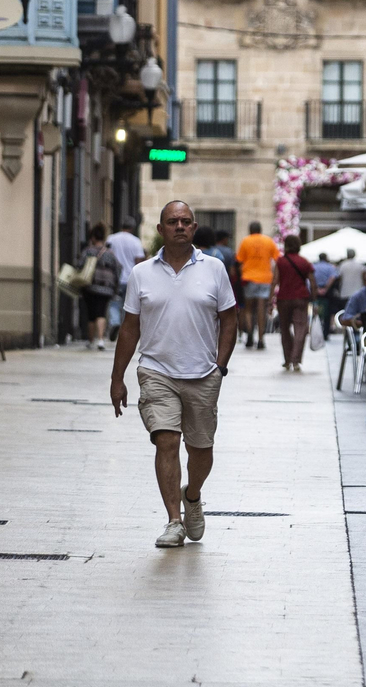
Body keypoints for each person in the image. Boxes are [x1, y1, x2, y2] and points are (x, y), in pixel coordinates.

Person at [110, 200, 239, 548]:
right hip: (156, 370)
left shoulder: (214, 268)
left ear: (194, 228)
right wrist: (117, 377)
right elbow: (129, 328)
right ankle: (173, 521)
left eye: (185, 221)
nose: (179, 226)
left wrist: (220, 365)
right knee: (166, 440)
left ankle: (192, 495)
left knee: (201, 448)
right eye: (172, 221)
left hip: (202, 372)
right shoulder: (141, 273)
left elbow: (229, 320)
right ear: (160, 230)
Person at [235, 221, 281, 351]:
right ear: (260, 230)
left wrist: (241, 274)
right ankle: (261, 339)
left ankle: (249, 334)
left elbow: (239, 261)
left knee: (249, 309)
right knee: (262, 310)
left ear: (250, 229)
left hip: (249, 278)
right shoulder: (269, 241)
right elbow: (278, 259)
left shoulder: (245, 241)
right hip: (265, 279)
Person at [273, 235, 315, 371]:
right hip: (301, 298)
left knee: (284, 329)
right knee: (300, 329)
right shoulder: (305, 262)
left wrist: (269, 302)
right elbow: (313, 283)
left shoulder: (281, 261)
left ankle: (287, 360)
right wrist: (314, 298)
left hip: (283, 298)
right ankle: (296, 360)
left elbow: (274, 281)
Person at [81, 225, 122, 350]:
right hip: (106, 288)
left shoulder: (88, 251)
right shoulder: (109, 253)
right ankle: (100, 340)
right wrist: (114, 285)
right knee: (101, 313)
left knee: (91, 315)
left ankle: (90, 340)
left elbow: (80, 265)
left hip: (90, 286)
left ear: (93, 237)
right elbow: (118, 268)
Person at [105, 220, 145, 336]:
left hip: (114, 278)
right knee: (127, 305)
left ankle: (115, 322)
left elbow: (107, 254)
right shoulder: (136, 241)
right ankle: (123, 328)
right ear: (132, 228)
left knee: (114, 302)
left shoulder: (111, 238)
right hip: (130, 278)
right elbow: (139, 261)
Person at [310, 252, 340, 339]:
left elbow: (311, 278)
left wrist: (316, 289)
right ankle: (325, 333)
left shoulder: (314, 266)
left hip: (316, 290)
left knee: (316, 312)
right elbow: (333, 277)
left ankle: (315, 332)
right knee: (327, 313)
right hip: (327, 292)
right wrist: (326, 288)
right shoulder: (330, 267)